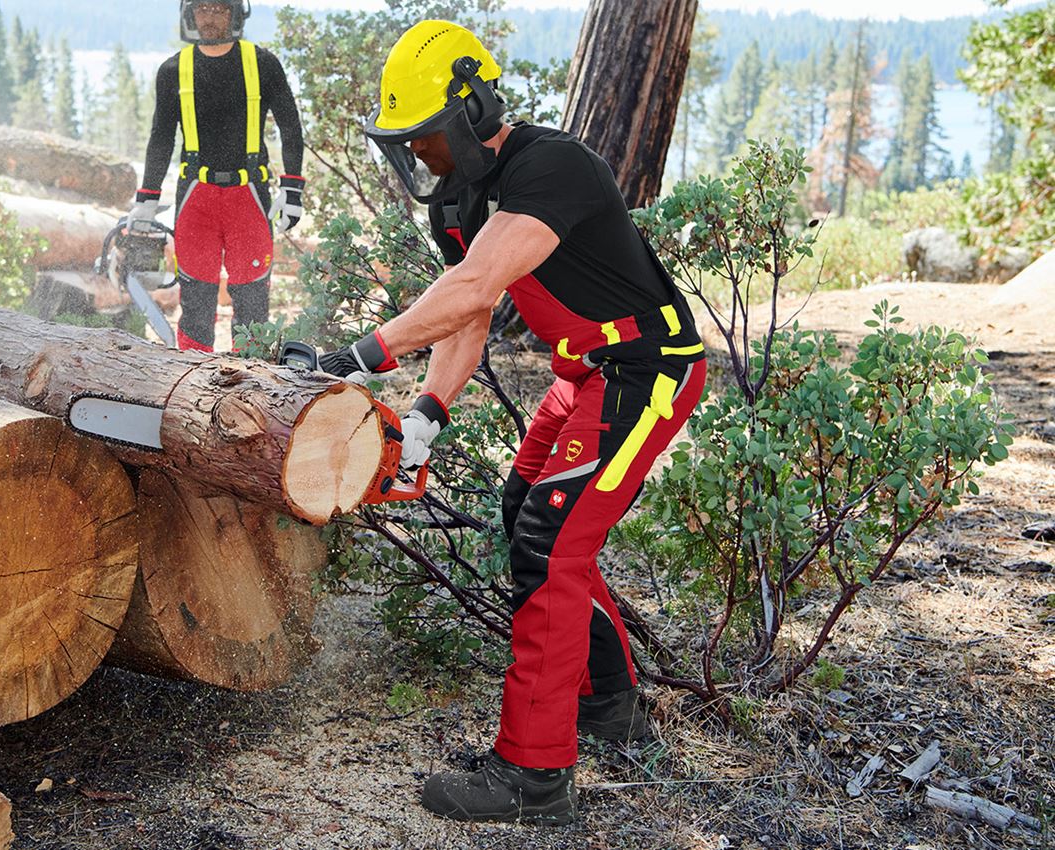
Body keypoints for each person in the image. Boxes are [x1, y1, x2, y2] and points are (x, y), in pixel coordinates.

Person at [314, 20, 707, 825]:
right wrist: (428, 410)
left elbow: (472, 285)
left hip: (645, 370)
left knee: (550, 543)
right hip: (583, 375)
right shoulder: (458, 200)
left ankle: (534, 776)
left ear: (471, 109)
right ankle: (608, 703)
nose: (417, 152)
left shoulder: (552, 166)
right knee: (525, 511)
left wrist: (361, 354)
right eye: (407, 140)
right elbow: (469, 312)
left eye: (425, 135)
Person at [127, 0, 305, 352]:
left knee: (253, 301)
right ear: (189, 14)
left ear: (235, 13)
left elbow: (291, 128)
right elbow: (161, 137)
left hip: (249, 195)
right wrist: (146, 198)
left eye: (219, 8)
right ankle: (192, 377)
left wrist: (292, 189)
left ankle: (252, 377)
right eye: (202, 8)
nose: (209, 16)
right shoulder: (173, 70)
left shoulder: (263, 64)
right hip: (196, 196)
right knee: (195, 300)